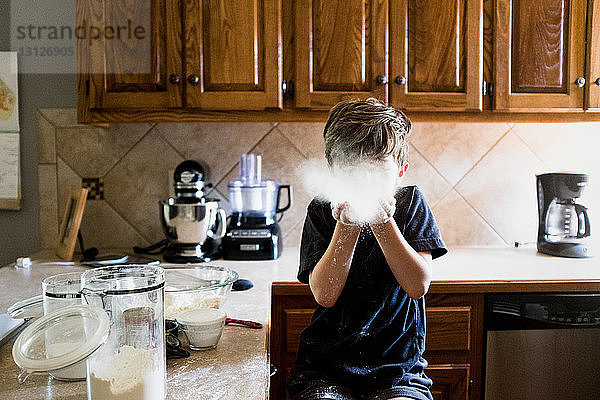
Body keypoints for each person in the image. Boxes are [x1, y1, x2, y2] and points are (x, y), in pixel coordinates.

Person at [287, 98, 447, 400]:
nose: (365, 176)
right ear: (333, 170)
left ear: (401, 170)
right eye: (352, 164)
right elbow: (325, 294)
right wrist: (346, 226)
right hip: (325, 368)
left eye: (377, 163)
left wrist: (383, 222)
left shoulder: (411, 204)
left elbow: (417, 285)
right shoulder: (322, 211)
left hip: (398, 369)